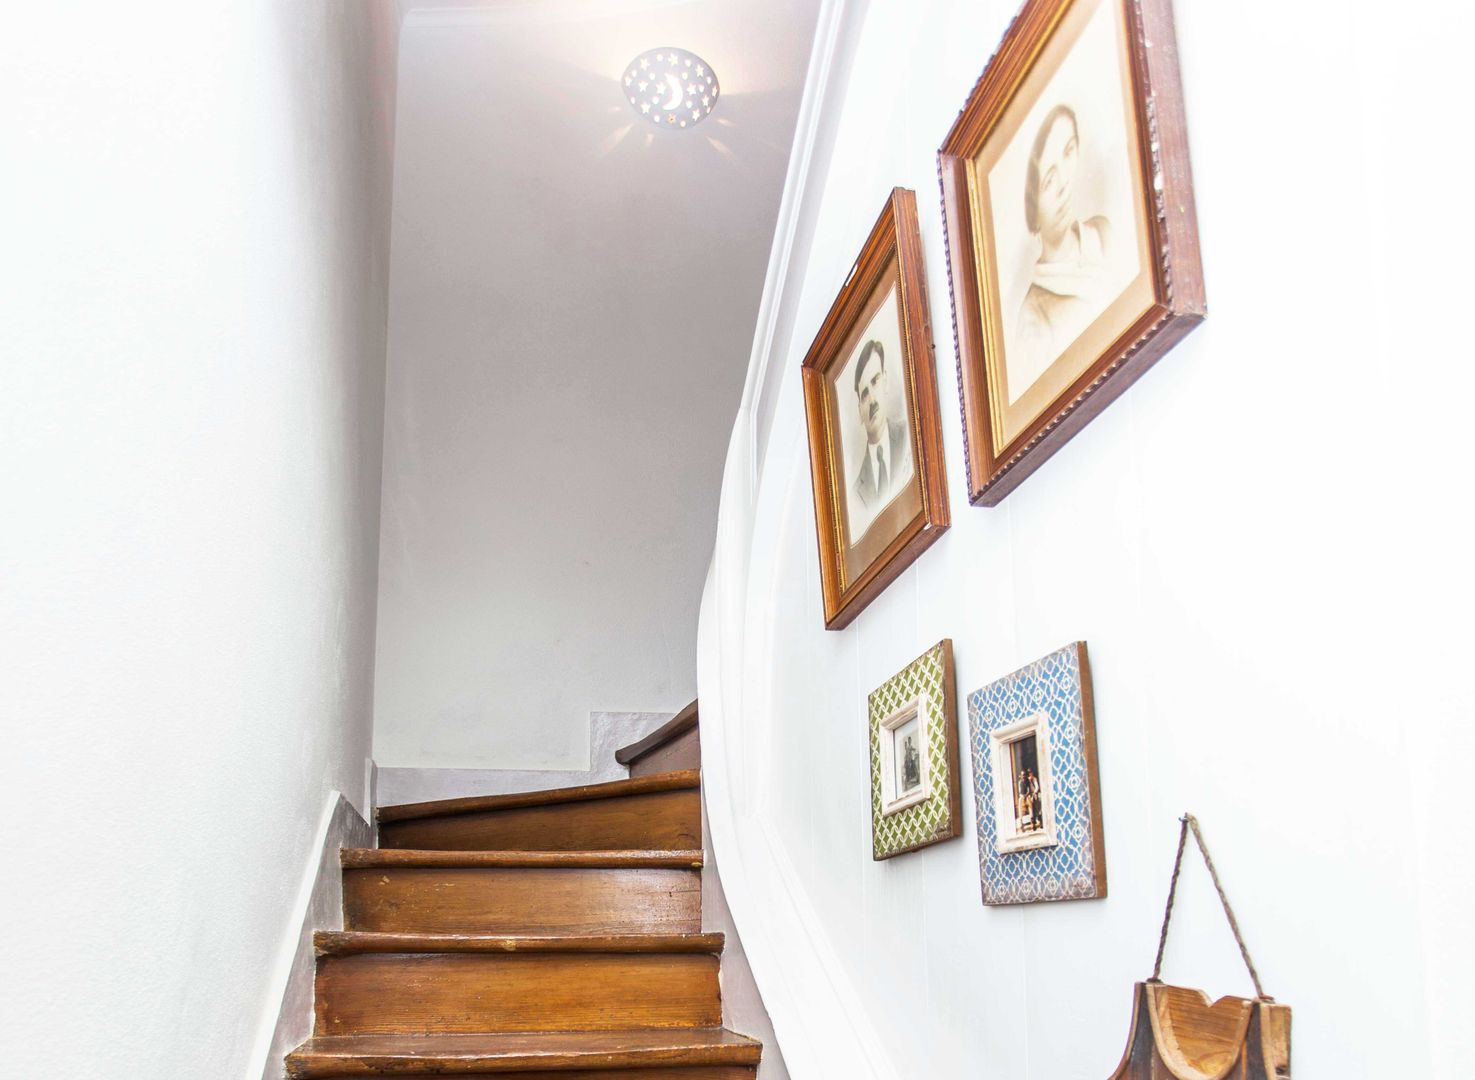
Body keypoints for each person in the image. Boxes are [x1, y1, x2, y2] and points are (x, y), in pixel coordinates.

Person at [1012, 103, 1115, 389]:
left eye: (1068, 152)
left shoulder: (1105, 233)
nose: (1063, 185)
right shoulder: (1033, 316)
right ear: (1033, 211)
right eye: (1048, 181)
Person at [849, 339, 910, 513]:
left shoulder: (910, 436)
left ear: (885, 381)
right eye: (865, 394)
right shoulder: (855, 495)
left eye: (875, 381)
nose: (873, 400)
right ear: (860, 410)